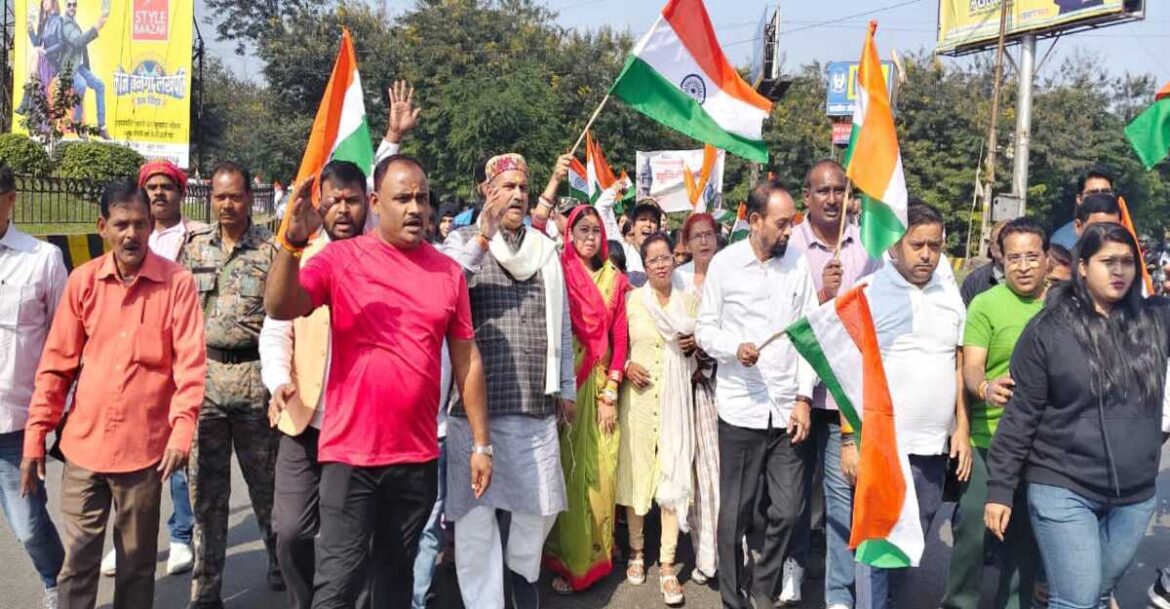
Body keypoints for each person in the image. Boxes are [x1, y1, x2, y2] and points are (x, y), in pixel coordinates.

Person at [268, 154, 492, 609]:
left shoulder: (447, 273)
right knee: (337, 584)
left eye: (422, 199)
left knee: (395, 579)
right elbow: (281, 306)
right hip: (352, 457)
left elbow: (466, 360)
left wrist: (481, 445)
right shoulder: (340, 258)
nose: (416, 209)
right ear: (376, 203)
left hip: (417, 457)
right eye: (403, 198)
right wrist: (291, 245)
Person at [22, 179, 206, 609]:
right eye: (121, 224)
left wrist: (181, 434)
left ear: (150, 226)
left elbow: (190, 367)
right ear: (102, 226)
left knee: (137, 567)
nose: (131, 234)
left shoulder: (176, 284)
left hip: (144, 455)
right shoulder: (83, 283)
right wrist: (36, 435)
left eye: (140, 224)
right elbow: (56, 366)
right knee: (79, 562)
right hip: (84, 450)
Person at [986, 222, 1169, 609]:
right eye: (1107, 262)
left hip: (1134, 496)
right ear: (1082, 267)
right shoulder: (1049, 331)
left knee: (1099, 594)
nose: (1119, 271)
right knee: (1077, 599)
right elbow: (1021, 415)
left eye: (1127, 262)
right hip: (1062, 486)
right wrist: (1000, 490)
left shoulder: (1154, 322)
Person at [441, 153, 572, 609]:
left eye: (523, 186)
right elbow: (445, 290)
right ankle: (484, 601)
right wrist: (483, 235)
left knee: (540, 505)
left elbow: (564, 325)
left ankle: (521, 572)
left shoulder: (544, 250)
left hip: (534, 404)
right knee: (476, 517)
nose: (518, 194)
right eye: (508, 186)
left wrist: (567, 388)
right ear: (486, 191)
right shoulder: (461, 242)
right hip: (474, 411)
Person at [696, 180, 817, 609]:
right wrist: (735, 348)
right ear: (754, 221)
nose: (789, 232)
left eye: (792, 224)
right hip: (741, 411)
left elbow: (807, 335)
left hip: (786, 411)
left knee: (788, 509)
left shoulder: (799, 265)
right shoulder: (725, 266)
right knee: (737, 513)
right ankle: (734, 600)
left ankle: (762, 589)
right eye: (781, 224)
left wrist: (804, 397)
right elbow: (705, 329)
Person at [258, 160, 370, 609]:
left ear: (368, 204)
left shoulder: (383, 255)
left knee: (353, 536)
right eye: (334, 200)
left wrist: (393, 141)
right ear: (319, 202)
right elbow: (274, 329)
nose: (343, 210)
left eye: (352, 200)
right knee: (289, 531)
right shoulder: (299, 254)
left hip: (360, 426)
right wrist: (278, 382)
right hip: (304, 419)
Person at [855, 202, 972, 609]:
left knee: (914, 538)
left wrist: (962, 427)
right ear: (894, 246)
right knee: (877, 543)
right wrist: (850, 438)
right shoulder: (868, 294)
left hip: (932, 449)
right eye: (917, 244)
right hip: (884, 447)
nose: (927, 254)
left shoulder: (949, 295)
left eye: (935, 246)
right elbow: (849, 369)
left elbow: (957, 363)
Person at [99, 160, 207, 579]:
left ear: (181, 193)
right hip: (132, 371)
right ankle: (120, 542)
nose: (160, 193)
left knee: (177, 459)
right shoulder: (130, 237)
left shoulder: (197, 238)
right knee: (120, 467)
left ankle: (180, 535)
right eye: (153, 187)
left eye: (168, 186)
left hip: (180, 360)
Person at [183, 162, 282, 609]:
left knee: (268, 487)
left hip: (254, 383)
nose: (227, 204)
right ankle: (207, 590)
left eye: (235, 196)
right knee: (207, 494)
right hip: (203, 385)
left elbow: (284, 320)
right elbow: (178, 314)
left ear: (249, 199)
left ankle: (282, 563)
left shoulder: (269, 251)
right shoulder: (193, 249)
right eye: (220, 196)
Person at [786, 159, 883, 609]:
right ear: (806, 195)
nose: (831, 199)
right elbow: (780, 321)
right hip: (794, 396)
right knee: (790, 500)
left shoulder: (866, 248)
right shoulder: (789, 245)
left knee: (843, 501)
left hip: (845, 399)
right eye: (822, 190)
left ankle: (840, 594)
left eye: (839, 191)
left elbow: (877, 318)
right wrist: (821, 297)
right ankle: (793, 565)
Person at [942, 218, 1050, 609]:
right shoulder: (986, 304)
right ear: (1001, 260)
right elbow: (970, 368)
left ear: (1048, 260)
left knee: (1024, 539)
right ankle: (959, 602)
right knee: (972, 529)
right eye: (1014, 257)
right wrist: (986, 388)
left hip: (1044, 447)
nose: (1023, 266)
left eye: (1031, 257)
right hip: (988, 440)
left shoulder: (1062, 305)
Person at [544, 204, 630, 595]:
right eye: (582, 229)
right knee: (566, 471)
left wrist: (611, 390)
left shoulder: (617, 280)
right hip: (566, 386)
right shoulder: (558, 273)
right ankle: (565, 558)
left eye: (596, 230)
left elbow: (620, 339)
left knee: (599, 472)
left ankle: (593, 559)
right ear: (569, 233)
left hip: (600, 389)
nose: (590, 236)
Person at [616, 232, 697, 606]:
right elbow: (617, 350)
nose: (661, 264)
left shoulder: (689, 303)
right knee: (636, 475)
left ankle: (666, 563)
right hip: (638, 402)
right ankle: (636, 552)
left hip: (676, 404)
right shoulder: (632, 301)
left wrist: (696, 347)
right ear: (644, 267)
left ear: (674, 261)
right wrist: (629, 365)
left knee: (671, 476)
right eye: (653, 260)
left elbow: (704, 356)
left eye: (666, 257)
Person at [0, 162, 67, 609]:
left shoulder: (41, 259)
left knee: (27, 523)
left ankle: (55, 576)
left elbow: (65, 342)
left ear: (10, 199)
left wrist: (61, 414)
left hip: (17, 420)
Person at [674, 212, 722, 585]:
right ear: (686, 243)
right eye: (697, 236)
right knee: (684, 466)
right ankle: (686, 544)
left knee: (715, 470)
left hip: (717, 385)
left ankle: (716, 552)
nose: (704, 242)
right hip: (679, 384)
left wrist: (706, 352)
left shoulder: (729, 273)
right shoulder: (677, 278)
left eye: (709, 235)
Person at [59, 0, 108, 138]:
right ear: (65, 6)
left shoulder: (73, 23)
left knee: (100, 86)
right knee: (81, 85)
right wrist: (96, 27)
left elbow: (80, 42)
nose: (72, 7)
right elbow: (78, 41)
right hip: (69, 69)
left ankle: (102, 126)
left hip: (79, 67)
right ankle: (77, 124)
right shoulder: (66, 24)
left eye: (74, 4)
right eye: (69, 5)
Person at [1050, 169, 1114, 250]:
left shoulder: (1126, 233)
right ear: (1079, 199)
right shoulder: (1062, 241)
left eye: (1106, 192)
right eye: (1093, 193)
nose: (1100, 197)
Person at [960, 220, 1007, 306]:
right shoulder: (974, 281)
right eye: (1000, 242)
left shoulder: (1029, 279)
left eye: (1011, 242)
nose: (1006, 246)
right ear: (991, 247)